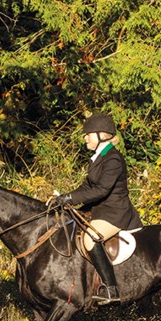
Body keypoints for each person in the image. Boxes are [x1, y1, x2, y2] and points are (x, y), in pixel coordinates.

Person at [52, 110, 143, 304]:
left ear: (102, 135)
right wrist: (64, 198)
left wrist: (70, 198)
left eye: (88, 134)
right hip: (100, 210)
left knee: (90, 238)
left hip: (115, 213)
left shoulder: (113, 159)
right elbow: (87, 187)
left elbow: (101, 190)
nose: (85, 137)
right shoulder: (98, 157)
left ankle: (111, 289)